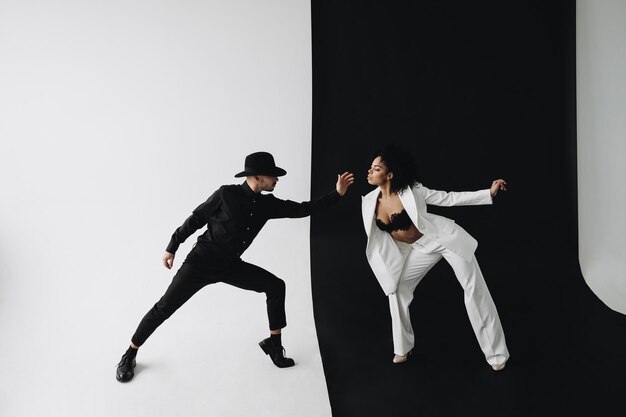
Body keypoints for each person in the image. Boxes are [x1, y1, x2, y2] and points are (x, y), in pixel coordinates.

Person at [116, 151, 355, 382]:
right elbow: (196, 219)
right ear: (258, 177)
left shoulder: (267, 205)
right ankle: (130, 353)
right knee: (164, 308)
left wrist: (337, 194)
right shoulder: (225, 194)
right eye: (272, 175)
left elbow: (303, 209)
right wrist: (172, 245)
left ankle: (274, 345)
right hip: (200, 263)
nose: (277, 180)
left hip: (230, 266)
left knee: (275, 286)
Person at [361, 144, 509, 370]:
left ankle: (497, 354)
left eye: (376, 168)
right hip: (419, 249)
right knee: (397, 289)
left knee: (473, 289)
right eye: (371, 168)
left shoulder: (412, 190)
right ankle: (403, 348)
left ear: (389, 175)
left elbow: (448, 198)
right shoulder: (370, 202)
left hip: (443, 240)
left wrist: (487, 193)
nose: (370, 171)